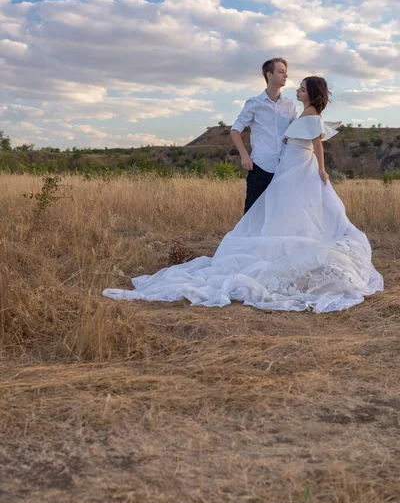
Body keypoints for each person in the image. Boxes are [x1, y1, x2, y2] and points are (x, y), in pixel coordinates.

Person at [103, 76, 383, 313]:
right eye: (293, 83)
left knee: (299, 208)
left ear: (311, 94)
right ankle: (283, 246)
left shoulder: (312, 117)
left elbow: (318, 145)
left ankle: (297, 248)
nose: (295, 89)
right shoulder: (298, 113)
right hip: (287, 166)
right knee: (280, 208)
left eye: (301, 88)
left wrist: (322, 170)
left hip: (301, 167)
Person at [231, 57, 297, 213]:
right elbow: (235, 130)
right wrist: (244, 156)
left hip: (283, 167)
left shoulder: (290, 105)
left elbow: (295, 133)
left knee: (280, 213)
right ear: (269, 75)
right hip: (260, 166)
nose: (285, 75)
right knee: (252, 213)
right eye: (281, 72)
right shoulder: (254, 103)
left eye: (286, 72)